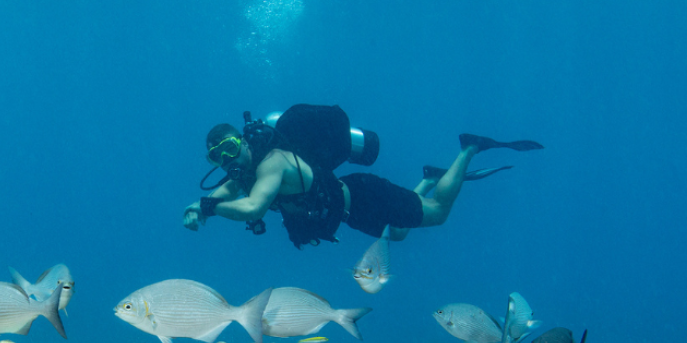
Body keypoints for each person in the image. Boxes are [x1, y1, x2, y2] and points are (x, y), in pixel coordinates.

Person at [183, 106, 541, 248]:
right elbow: (220, 191)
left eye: (230, 148)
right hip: (352, 214)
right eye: (218, 156)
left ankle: (468, 149)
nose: (227, 159)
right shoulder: (245, 172)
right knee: (398, 235)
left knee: (437, 213)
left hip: (363, 196)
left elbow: (252, 208)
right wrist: (196, 208)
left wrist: (209, 210)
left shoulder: (273, 162)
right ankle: (430, 177)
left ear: (244, 141)